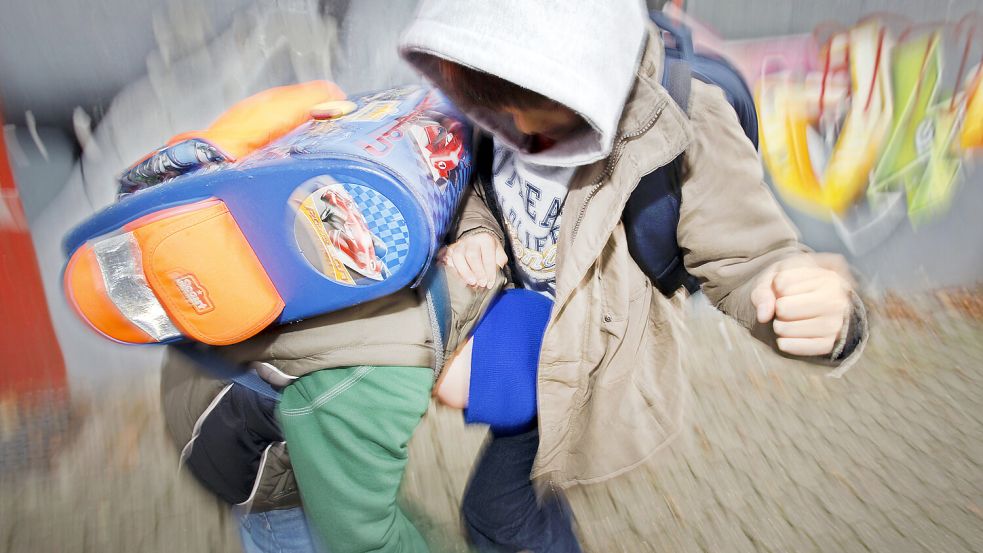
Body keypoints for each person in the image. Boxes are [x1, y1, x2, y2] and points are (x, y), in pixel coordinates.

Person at [398, 1, 868, 551]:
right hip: (513, 324)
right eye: (499, 108)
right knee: (516, 496)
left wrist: (826, 316)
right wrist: (478, 232)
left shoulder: (686, 119)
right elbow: (477, 183)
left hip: (585, 362)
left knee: (496, 513)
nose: (520, 130)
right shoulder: (486, 79)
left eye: (543, 110)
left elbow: (751, 260)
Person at [161, 258, 506, 553]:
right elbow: (365, 540)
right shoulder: (382, 380)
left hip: (212, 347)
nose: (456, 412)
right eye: (470, 405)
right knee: (299, 534)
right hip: (233, 437)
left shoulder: (459, 272)